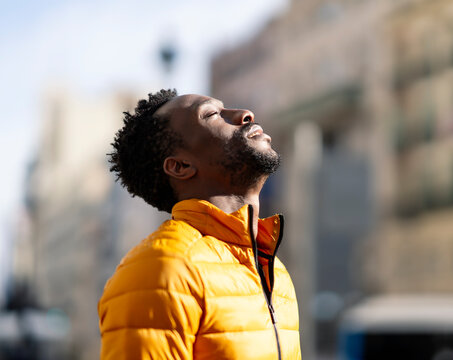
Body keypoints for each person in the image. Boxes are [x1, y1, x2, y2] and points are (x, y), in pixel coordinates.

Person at [98, 89, 301, 359]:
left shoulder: (274, 269)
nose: (244, 114)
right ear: (181, 166)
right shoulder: (162, 267)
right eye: (212, 114)